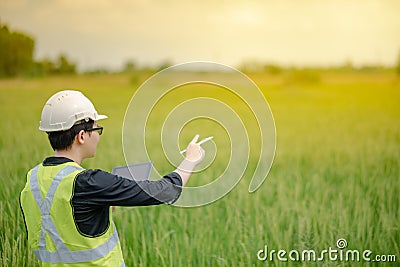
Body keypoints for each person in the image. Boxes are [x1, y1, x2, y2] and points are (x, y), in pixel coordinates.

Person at [20, 90, 205, 266]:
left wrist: (98, 207)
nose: (99, 137)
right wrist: (190, 160)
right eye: (97, 130)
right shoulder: (89, 182)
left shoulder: (33, 180)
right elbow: (165, 191)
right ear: (82, 136)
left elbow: (60, 225)